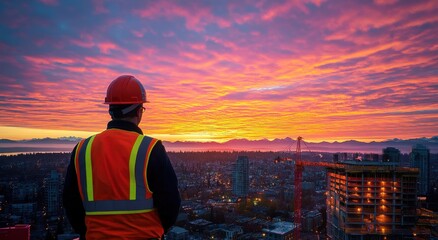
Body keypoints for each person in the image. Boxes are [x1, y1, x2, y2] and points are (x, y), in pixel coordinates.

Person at [63, 75, 181, 239]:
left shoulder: (83, 149)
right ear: (139, 111)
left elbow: (71, 203)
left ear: (110, 110)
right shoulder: (150, 149)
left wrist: (88, 232)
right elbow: (170, 203)